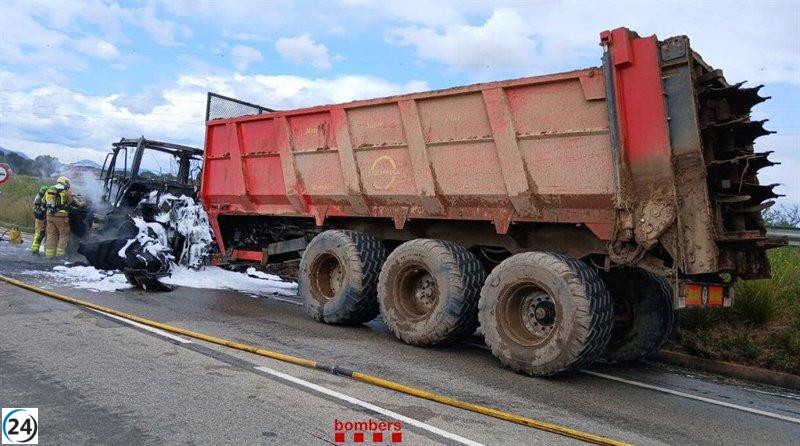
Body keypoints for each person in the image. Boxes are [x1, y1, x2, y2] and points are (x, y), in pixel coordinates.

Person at [44, 176, 76, 259]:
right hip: (62, 218)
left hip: (49, 216)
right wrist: (82, 203)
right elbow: (73, 203)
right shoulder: (66, 192)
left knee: (51, 235)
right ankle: (59, 256)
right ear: (65, 182)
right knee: (63, 236)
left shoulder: (49, 190)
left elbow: (44, 201)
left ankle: (49, 255)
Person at [30, 184, 49, 254]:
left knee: (38, 232)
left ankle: (34, 248)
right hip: (43, 217)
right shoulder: (45, 197)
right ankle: (43, 249)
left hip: (38, 217)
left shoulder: (38, 196)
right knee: (46, 233)